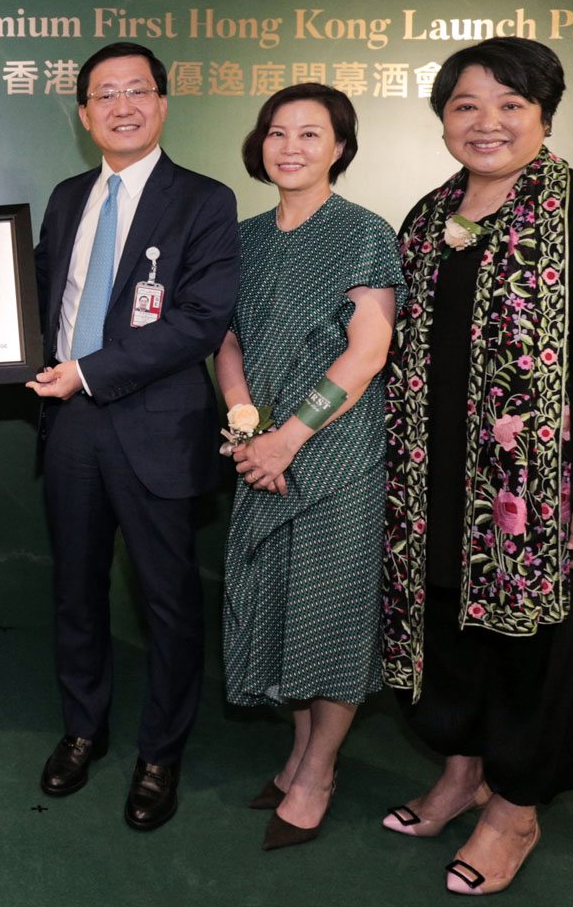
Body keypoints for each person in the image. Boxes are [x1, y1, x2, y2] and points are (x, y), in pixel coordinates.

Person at [381, 37, 573, 895]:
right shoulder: (427, 218)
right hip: (435, 489)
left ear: (544, 115)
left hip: (544, 493)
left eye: (510, 105)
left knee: (540, 651)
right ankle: (463, 775)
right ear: (443, 121)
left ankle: (515, 810)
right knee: (451, 637)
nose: (486, 123)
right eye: (466, 106)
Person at [27, 42, 240, 831]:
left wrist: (89, 371)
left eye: (137, 91)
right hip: (72, 429)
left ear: (162, 102)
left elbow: (199, 321)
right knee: (75, 592)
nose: (122, 106)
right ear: (84, 115)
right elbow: (36, 288)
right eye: (104, 95)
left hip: (158, 427)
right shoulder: (66, 195)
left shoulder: (206, 200)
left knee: (169, 601)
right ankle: (82, 730)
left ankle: (161, 752)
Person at [214, 83, 401, 850]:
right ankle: (296, 754)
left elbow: (369, 351)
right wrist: (244, 423)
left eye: (311, 134)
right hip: (257, 453)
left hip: (337, 454)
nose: (291, 146)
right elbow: (223, 339)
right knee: (280, 606)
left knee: (329, 617)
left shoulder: (363, 233)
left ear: (340, 148)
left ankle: (320, 770)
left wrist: (287, 439)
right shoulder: (242, 237)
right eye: (277, 132)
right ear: (259, 145)